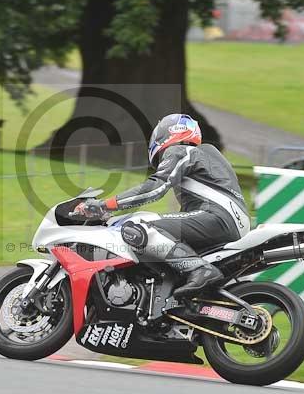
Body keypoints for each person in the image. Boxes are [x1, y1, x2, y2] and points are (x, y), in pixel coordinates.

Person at [75, 113, 250, 297]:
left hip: (218, 216)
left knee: (137, 227)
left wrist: (104, 205)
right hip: (228, 219)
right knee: (165, 240)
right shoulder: (206, 156)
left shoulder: (181, 150)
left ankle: (200, 270)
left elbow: (155, 188)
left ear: (166, 134)